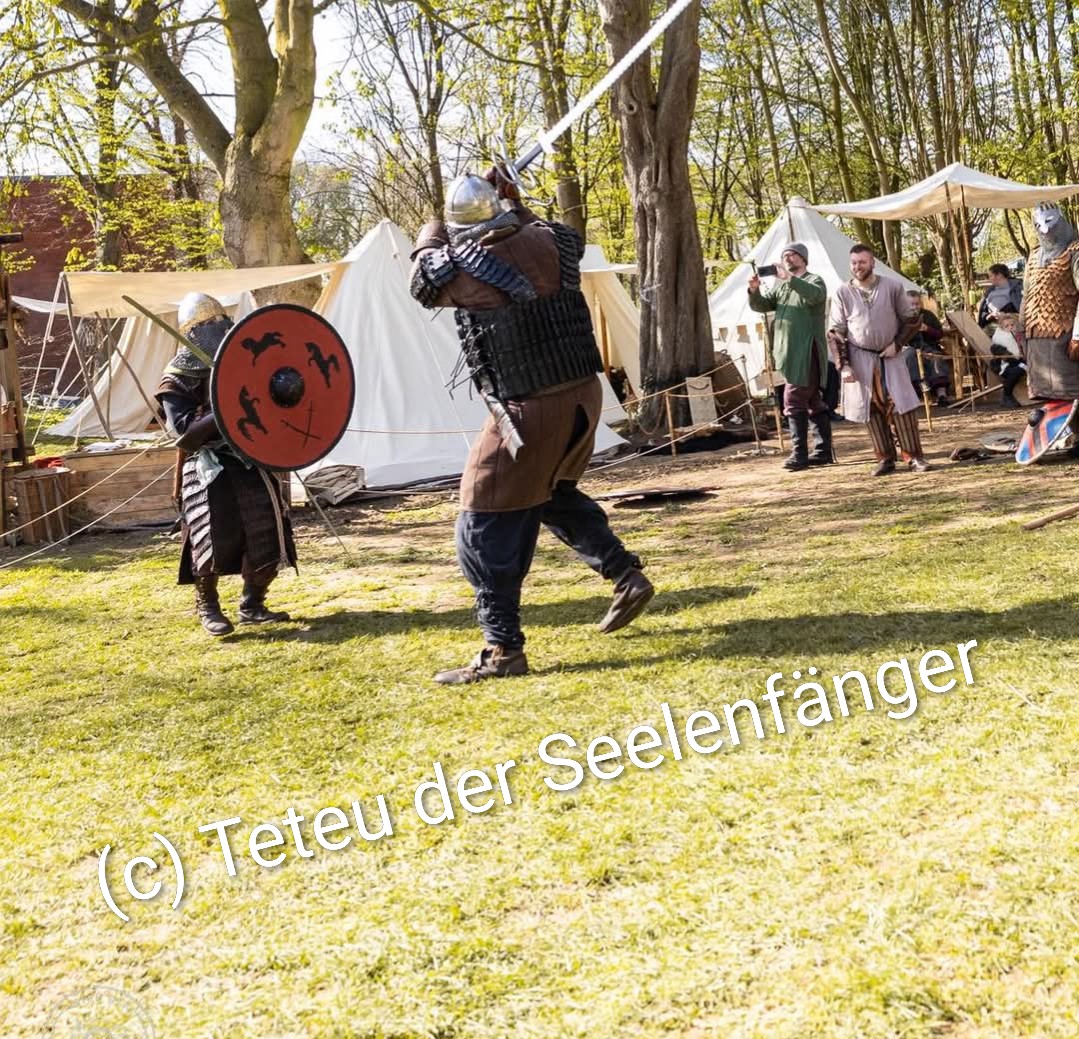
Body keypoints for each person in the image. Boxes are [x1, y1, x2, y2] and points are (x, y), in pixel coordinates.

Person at [409, 169, 654, 684]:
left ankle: (503, 650)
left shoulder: (471, 272)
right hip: (582, 397)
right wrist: (514, 204)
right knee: (549, 493)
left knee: (481, 519)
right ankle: (624, 574)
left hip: (528, 409)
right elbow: (550, 231)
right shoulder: (551, 243)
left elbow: (423, 282)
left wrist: (433, 225)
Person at [154, 293, 296, 636]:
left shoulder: (242, 363)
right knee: (209, 534)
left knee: (267, 531)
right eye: (208, 324)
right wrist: (225, 407)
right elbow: (185, 433)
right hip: (207, 464)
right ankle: (208, 606)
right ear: (193, 332)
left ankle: (253, 604)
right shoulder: (176, 378)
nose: (218, 328)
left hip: (249, 457)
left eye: (221, 321)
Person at [828, 244, 930, 476]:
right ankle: (885, 458)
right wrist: (844, 365)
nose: (857, 267)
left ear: (872, 262)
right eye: (854, 263)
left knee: (900, 405)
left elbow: (911, 320)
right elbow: (836, 331)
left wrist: (897, 344)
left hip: (890, 355)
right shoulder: (842, 292)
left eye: (862, 262)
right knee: (871, 407)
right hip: (860, 357)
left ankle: (914, 457)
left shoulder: (892, 286)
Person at [747, 243, 832, 469]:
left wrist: (789, 278)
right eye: (784, 255)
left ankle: (799, 455)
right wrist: (754, 290)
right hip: (788, 353)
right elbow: (763, 305)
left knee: (793, 400)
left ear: (803, 258)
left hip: (807, 351)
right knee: (813, 401)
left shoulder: (814, 281)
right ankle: (823, 452)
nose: (788, 258)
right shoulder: (782, 287)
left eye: (792, 255)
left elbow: (815, 296)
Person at [1017, 203, 1079, 401]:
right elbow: (1026, 295)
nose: (1044, 228)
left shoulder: (1074, 252)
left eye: (1050, 220)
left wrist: (1077, 336)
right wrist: (1021, 330)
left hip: (1065, 335)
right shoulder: (1034, 256)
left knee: (1070, 392)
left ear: (1061, 220)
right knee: (1046, 395)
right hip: (1036, 337)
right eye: (1038, 224)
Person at [901, 288, 951, 407]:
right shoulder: (900, 316)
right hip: (908, 348)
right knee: (910, 356)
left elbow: (940, 333)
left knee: (936, 359)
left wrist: (927, 329)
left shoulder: (928, 315)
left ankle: (941, 395)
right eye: (911, 304)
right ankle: (920, 388)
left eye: (917, 304)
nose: (914, 307)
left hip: (929, 347)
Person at [978, 263, 1023, 328]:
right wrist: (988, 316)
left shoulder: (1017, 289)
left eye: (990, 276)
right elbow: (983, 312)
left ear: (999, 275)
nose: (989, 279)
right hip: (991, 322)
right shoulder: (989, 291)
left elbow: (1022, 311)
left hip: (1010, 324)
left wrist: (1006, 315)